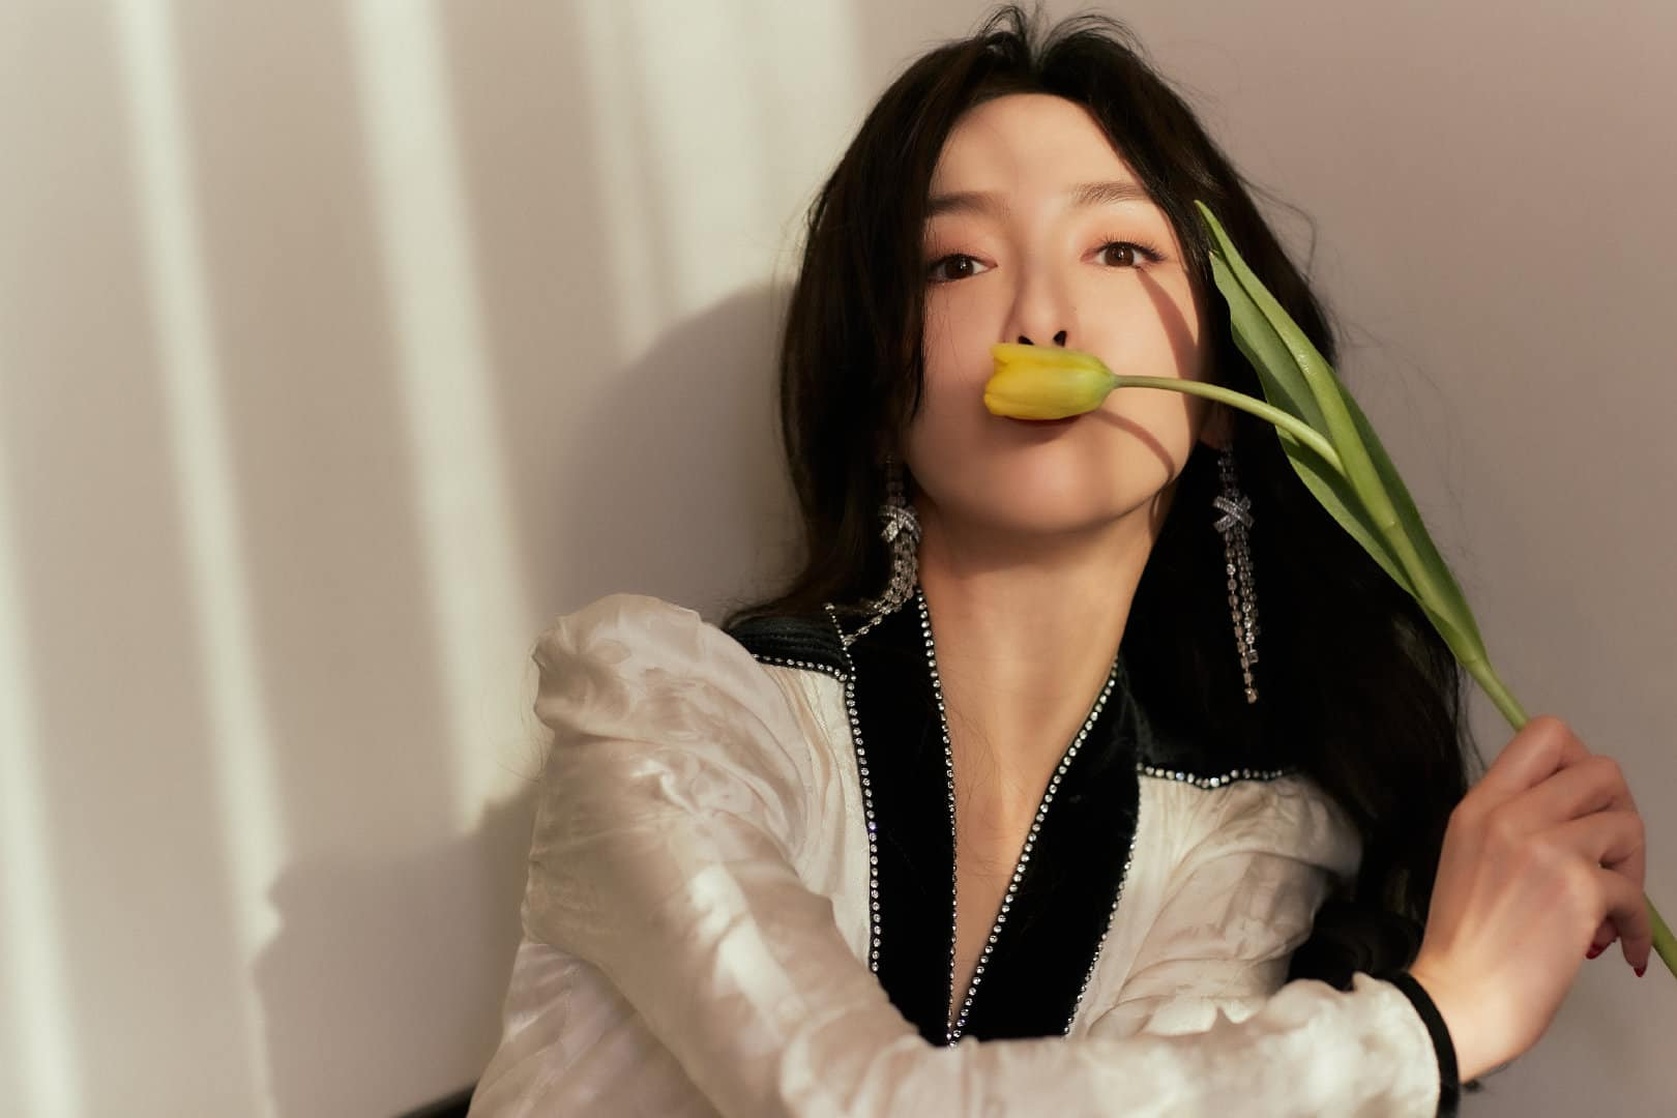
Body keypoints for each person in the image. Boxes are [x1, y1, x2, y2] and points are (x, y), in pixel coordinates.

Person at [470, 8, 1650, 1115]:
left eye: (1119, 248)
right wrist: (1435, 1021)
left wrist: (1498, 896)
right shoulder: (670, 717)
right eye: (958, 263)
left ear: (1224, 395)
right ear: (877, 397)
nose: (1043, 317)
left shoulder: (1238, 843)